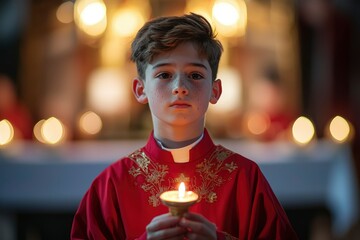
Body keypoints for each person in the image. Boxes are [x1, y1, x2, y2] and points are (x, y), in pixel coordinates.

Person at [71, 13, 298, 239]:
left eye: (195, 75)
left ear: (215, 91)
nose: (180, 87)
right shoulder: (111, 185)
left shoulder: (244, 178)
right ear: (141, 90)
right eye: (165, 74)